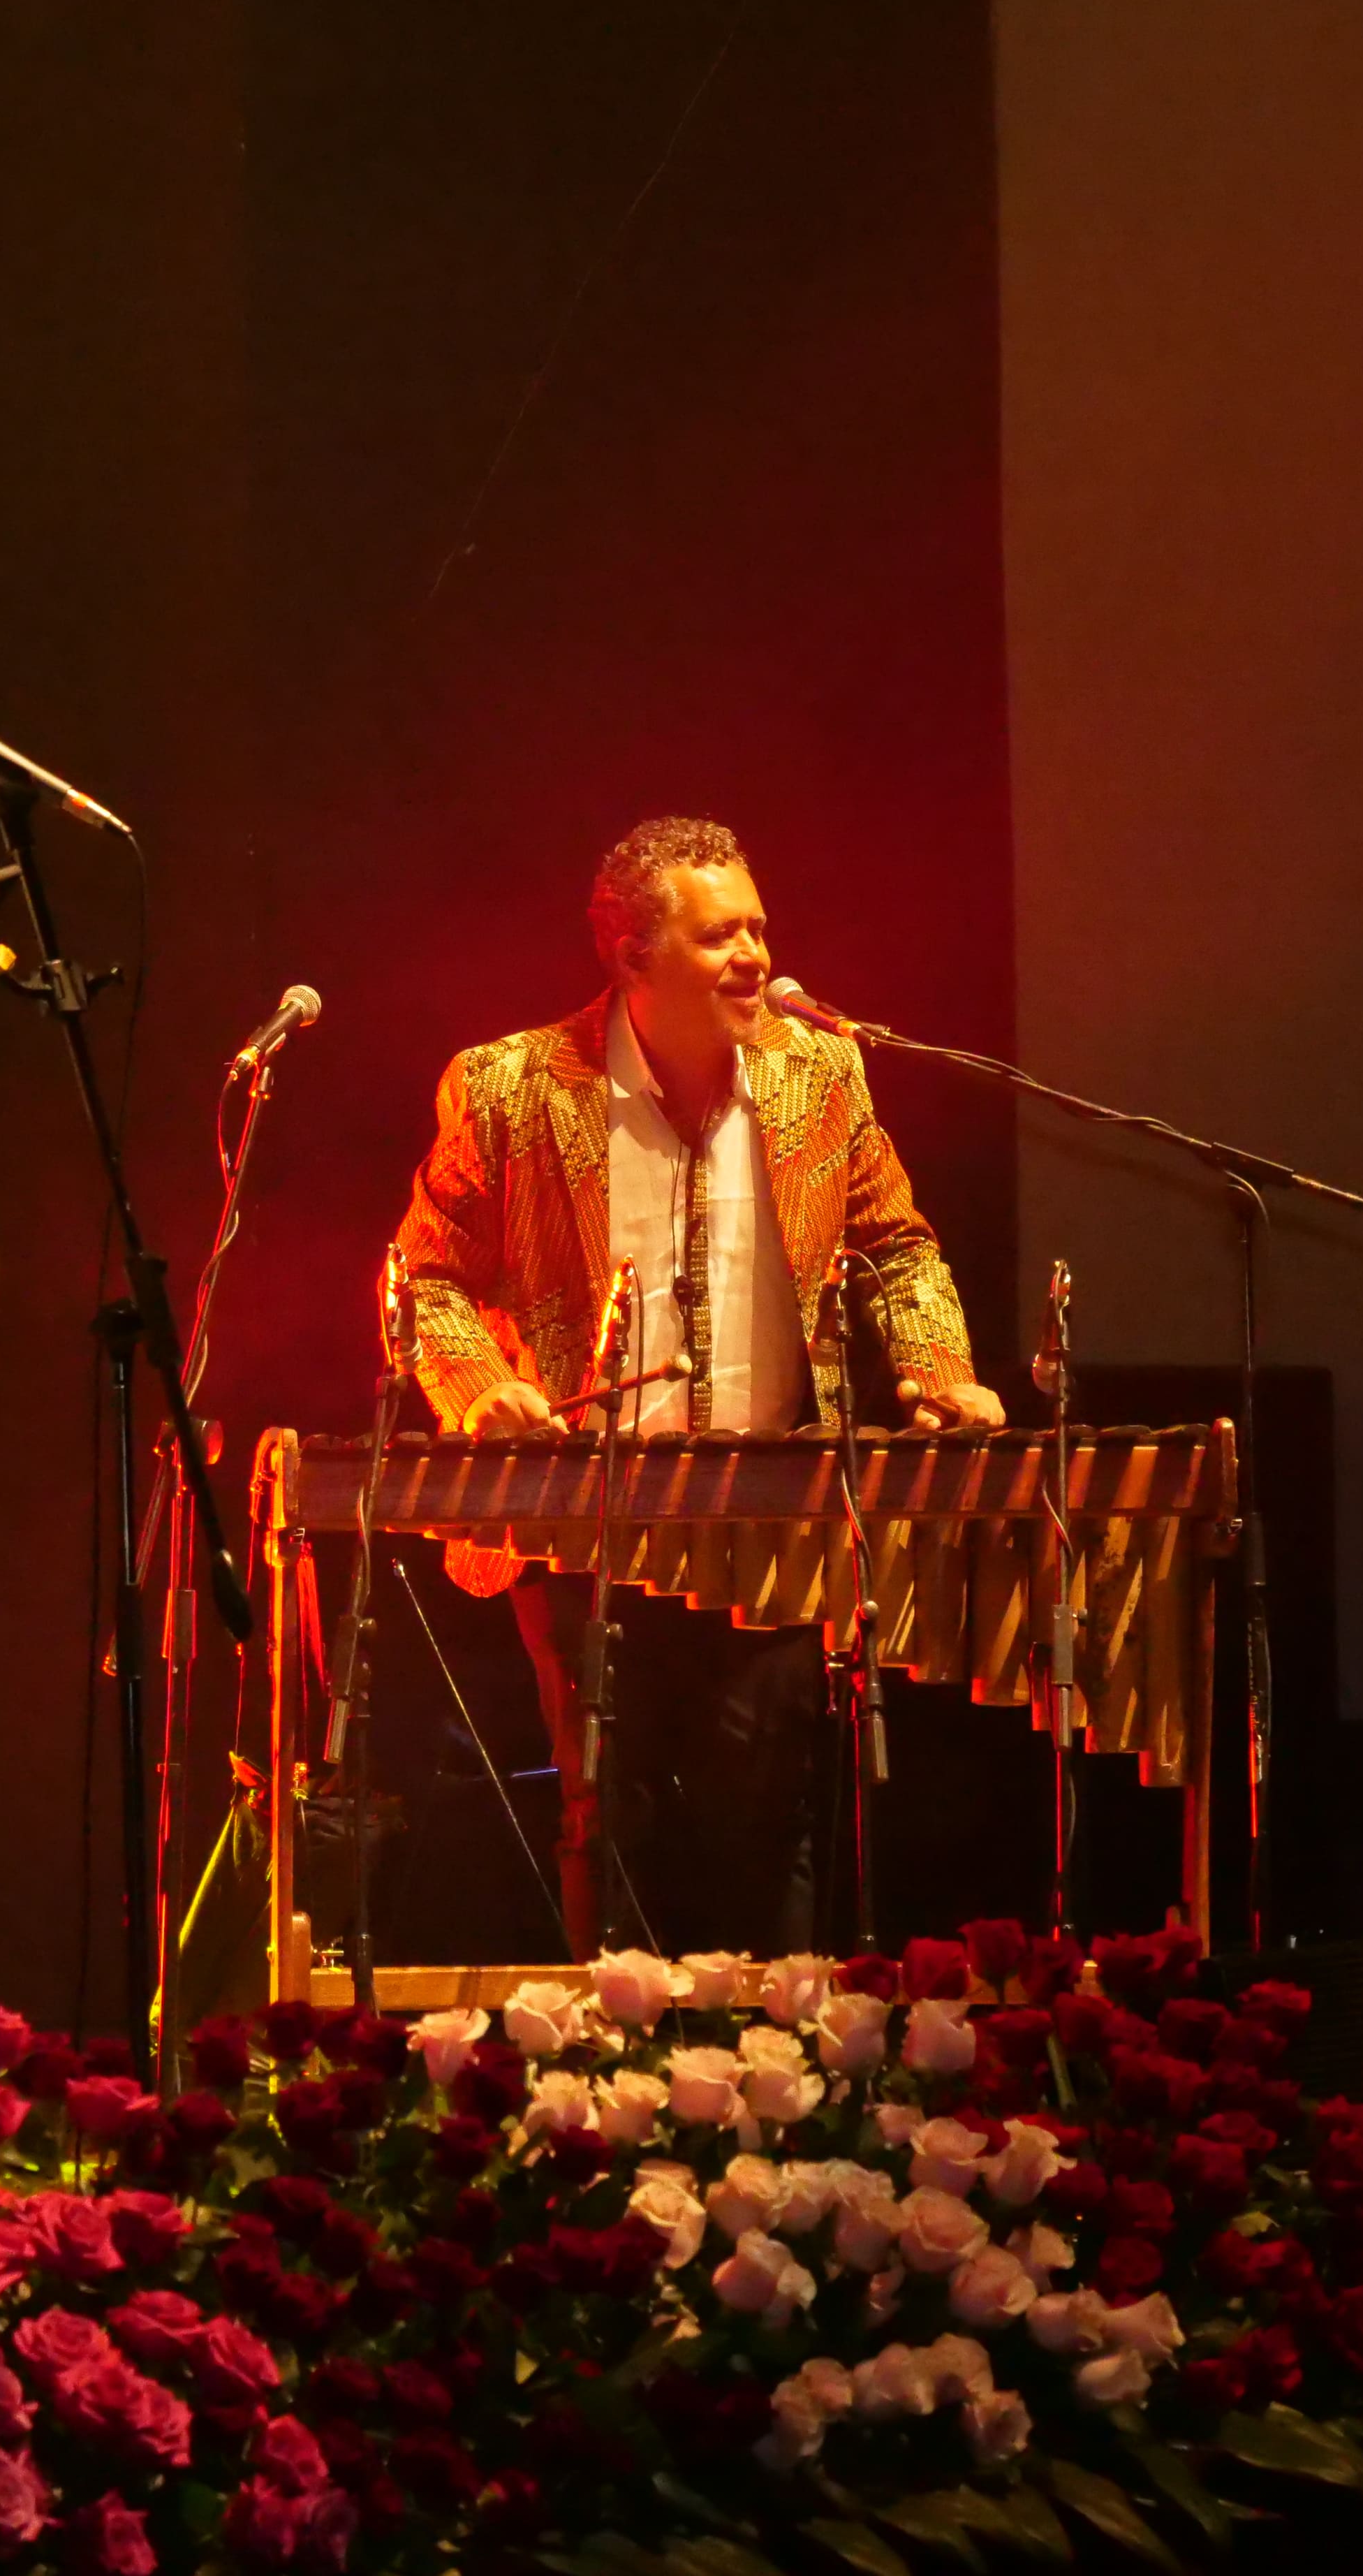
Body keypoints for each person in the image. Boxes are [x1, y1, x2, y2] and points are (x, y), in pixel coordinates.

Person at [392, 814, 999, 1956]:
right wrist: (478, 1392)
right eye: (722, 936)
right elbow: (427, 1276)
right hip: (587, 1520)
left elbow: (902, 1249)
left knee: (767, 1814)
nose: (756, 957)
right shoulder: (511, 1087)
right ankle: (609, 2084)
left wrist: (936, 1367)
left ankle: (784, 2084)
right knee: (605, 1814)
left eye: (760, 928)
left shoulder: (820, 1071)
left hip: (770, 1516)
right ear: (631, 957)